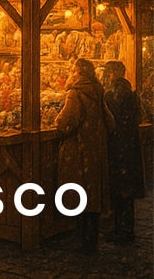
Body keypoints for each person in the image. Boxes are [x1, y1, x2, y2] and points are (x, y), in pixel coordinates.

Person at [54, 58, 114, 253]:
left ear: (79, 73)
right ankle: (91, 239)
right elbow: (110, 122)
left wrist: (57, 120)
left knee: (77, 193)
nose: (72, 73)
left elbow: (67, 121)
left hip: (78, 150)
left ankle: (80, 240)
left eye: (74, 70)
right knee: (92, 194)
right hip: (95, 150)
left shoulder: (75, 93)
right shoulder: (98, 91)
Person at [102, 61, 144, 244]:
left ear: (115, 73)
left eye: (109, 72)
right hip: (127, 148)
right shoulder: (128, 92)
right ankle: (123, 229)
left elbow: (113, 117)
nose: (107, 75)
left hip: (121, 148)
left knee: (122, 191)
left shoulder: (118, 93)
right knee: (124, 191)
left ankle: (124, 231)